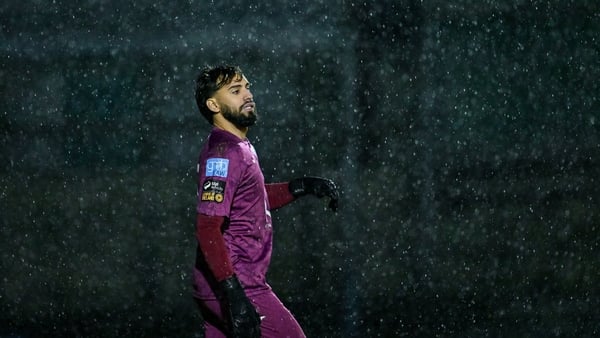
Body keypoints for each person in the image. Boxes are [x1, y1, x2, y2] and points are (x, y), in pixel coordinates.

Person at [192, 64, 339, 338]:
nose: (247, 95)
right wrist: (234, 293)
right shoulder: (224, 153)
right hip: (237, 282)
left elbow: (248, 200)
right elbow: (207, 227)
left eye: (247, 87)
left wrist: (300, 186)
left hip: (219, 284)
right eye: (235, 91)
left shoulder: (238, 147)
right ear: (213, 104)